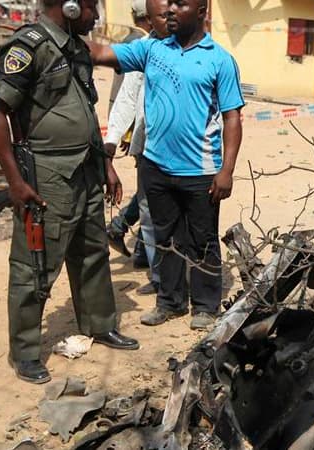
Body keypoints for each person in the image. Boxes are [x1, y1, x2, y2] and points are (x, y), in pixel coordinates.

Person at [0, 0, 139, 384]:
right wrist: (16, 181)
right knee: (35, 263)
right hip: (47, 176)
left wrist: (105, 165)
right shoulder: (28, 47)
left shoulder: (76, 48)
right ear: (69, 6)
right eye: (91, 7)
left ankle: (99, 324)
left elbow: (84, 113)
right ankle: (26, 352)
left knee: (92, 252)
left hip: (85, 168)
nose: (97, 16)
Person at [88, 0, 244, 330]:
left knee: (202, 239)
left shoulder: (220, 60)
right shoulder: (151, 50)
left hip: (201, 170)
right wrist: (60, 27)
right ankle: (170, 302)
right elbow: (100, 54)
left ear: (201, 11)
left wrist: (226, 170)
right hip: (155, 167)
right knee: (165, 238)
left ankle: (205, 305)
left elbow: (232, 118)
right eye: (168, 4)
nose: (170, 10)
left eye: (180, 4)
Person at [103, 0, 170, 295]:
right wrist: (112, 138)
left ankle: (178, 280)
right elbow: (128, 96)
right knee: (149, 212)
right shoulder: (142, 47)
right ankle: (160, 279)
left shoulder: (196, 49)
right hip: (146, 144)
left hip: (183, 148)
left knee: (177, 215)